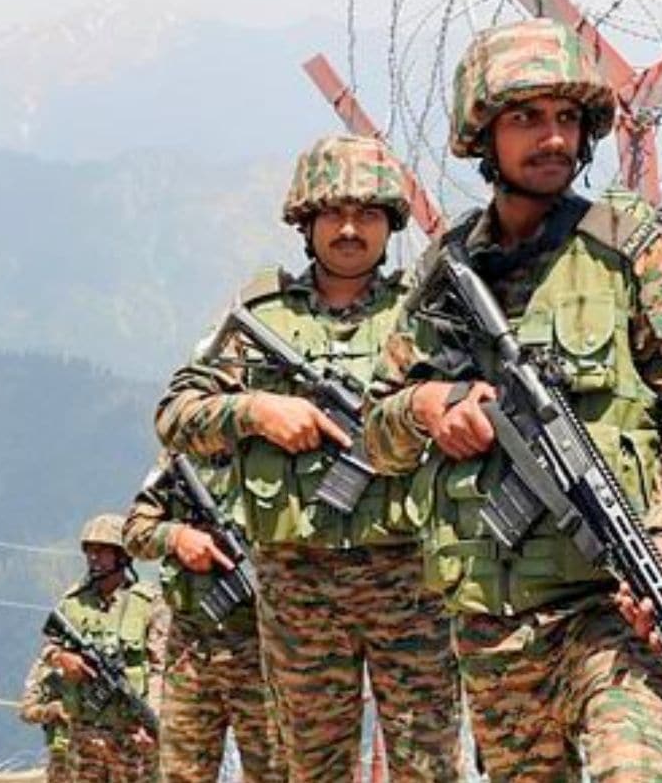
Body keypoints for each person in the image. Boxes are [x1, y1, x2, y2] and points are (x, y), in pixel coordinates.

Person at [365, 17, 662, 780]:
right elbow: (377, 432)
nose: (553, 137)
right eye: (527, 118)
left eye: (567, 117)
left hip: (611, 610)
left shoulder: (630, 248)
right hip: (494, 631)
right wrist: (433, 408)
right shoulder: (447, 273)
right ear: (483, 136)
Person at [153, 134, 461, 782]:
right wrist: (255, 412)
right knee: (311, 769)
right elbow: (176, 417)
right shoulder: (261, 319)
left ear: (390, 224)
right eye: (334, 214)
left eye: (368, 214)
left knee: (427, 765)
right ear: (306, 222)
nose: (350, 229)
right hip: (298, 586)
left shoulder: (426, 317)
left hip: (409, 578)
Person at [122, 456, 286, 783]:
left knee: (273, 772)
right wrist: (178, 536)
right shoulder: (181, 458)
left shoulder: (273, 447)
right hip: (191, 649)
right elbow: (134, 532)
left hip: (262, 651)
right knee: (181, 773)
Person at [41, 513, 166, 783]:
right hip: (84, 735)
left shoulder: (148, 604)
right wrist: (62, 658)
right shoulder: (74, 602)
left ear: (122, 555)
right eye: (89, 551)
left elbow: (161, 668)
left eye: (102, 551)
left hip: (131, 736)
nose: (93, 558)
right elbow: (48, 648)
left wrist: (152, 720)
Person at [17, 648, 70, 783]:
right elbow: (26, 711)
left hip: (109, 748)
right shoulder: (46, 665)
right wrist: (50, 710)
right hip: (64, 755)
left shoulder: (99, 657)